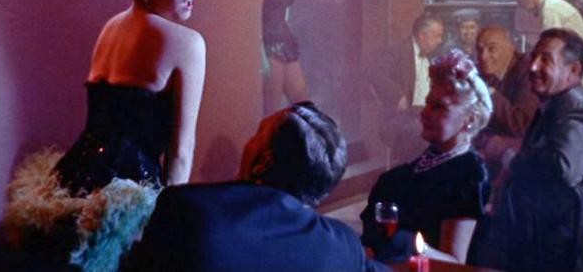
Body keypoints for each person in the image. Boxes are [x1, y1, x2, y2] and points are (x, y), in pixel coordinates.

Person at [0, 0, 206, 272]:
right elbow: (181, 153)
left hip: (68, 185)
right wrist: (167, 232)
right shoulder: (188, 44)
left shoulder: (111, 29)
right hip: (123, 207)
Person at [124, 102, 391, 272]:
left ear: (263, 161)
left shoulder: (187, 210)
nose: (247, 144)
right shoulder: (343, 246)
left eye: (256, 135)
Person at [361, 50, 492, 265]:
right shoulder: (411, 168)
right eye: (428, 103)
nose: (425, 112)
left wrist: (413, 245)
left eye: (439, 106)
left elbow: (454, 262)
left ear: (470, 119)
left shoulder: (467, 173)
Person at [479, 28, 583, 272]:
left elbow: (563, 168)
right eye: (534, 57)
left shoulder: (574, 107)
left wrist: (507, 154)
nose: (533, 67)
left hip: (557, 254)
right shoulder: (554, 104)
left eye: (546, 59)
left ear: (574, 70)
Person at [370, 13, 445, 165]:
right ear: (423, 35)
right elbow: (377, 75)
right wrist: (397, 96)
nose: (440, 40)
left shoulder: (434, 56)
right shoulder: (397, 51)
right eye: (437, 36)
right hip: (401, 117)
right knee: (420, 132)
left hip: (425, 113)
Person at [473, 25, 538, 184]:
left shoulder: (528, 72)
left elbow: (520, 124)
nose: (483, 56)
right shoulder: (483, 71)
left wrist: (488, 92)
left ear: (511, 48)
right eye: (480, 50)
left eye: (492, 49)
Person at [287, 0, 343, 116]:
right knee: (305, 64)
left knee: (318, 66)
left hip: (318, 28)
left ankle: (315, 105)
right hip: (303, 27)